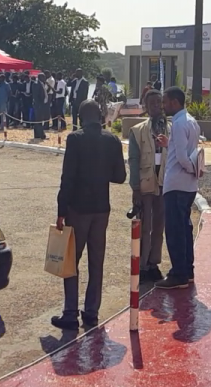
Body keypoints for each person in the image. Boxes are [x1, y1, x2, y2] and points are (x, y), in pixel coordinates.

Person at [52, 100, 127, 329]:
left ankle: (70, 313)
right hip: (101, 208)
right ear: (100, 115)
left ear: (81, 117)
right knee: (96, 261)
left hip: (78, 208)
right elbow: (120, 177)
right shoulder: (112, 140)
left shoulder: (75, 139)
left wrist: (61, 210)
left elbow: (67, 177)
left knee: (71, 261)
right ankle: (91, 311)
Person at [156, 87, 201, 290]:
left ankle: (178, 274)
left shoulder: (179, 123)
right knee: (184, 228)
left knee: (175, 230)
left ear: (175, 102)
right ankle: (187, 271)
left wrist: (192, 169)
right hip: (188, 185)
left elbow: (183, 157)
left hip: (177, 183)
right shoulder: (191, 121)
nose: (163, 106)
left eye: (165, 102)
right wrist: (170, 144)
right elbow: (187, 149)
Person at [128, 90, 167, 283]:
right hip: (145, 185)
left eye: (159, 102)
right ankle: (142, 265)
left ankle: (154, 263)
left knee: (159, 226)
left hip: (164, 184)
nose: (156, 106)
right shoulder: (138, 131)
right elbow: (133, 160)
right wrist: (135, 188)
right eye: (152, 103)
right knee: (145, 226)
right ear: (146, 106)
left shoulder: (171, 129)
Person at [31, 74, 50, 139]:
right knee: (39, 120)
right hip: (39, 105)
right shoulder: (36, 84)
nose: (45, 78)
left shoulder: (41, 83)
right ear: (40, 77)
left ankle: (37, 134)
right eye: (44, 77)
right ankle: (41, 135)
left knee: (38, 120)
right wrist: (39, 104)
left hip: (41, 104)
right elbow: (36, 96)